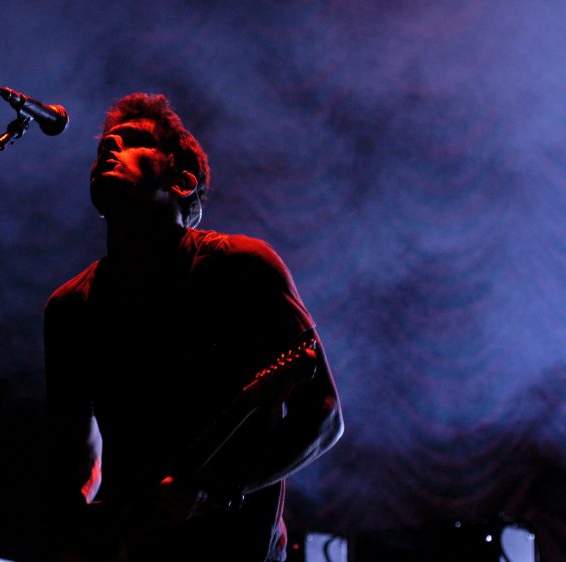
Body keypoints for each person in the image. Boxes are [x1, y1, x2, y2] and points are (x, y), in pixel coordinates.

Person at [43, 93, 343, 562]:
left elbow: (324, 416)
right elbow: (80, 456)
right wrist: (81, 529)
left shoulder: (243, 267)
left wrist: (223, 489)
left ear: (182, 182)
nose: (109, 147)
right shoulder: (70, 308)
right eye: (105, 144)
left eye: (135, 141)